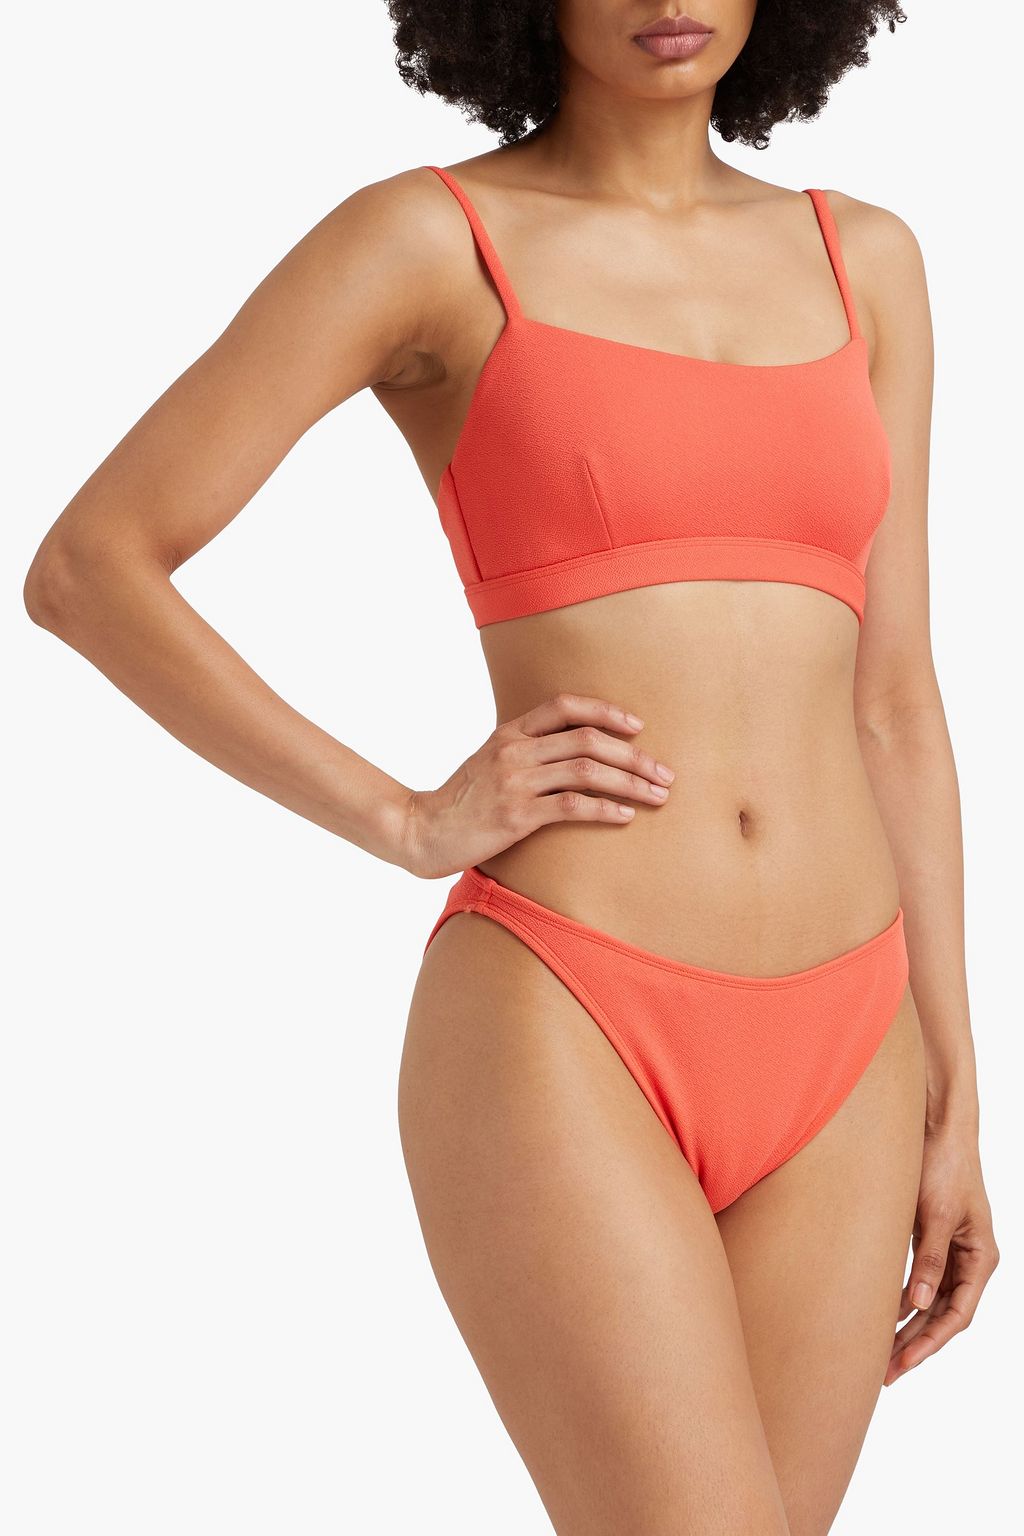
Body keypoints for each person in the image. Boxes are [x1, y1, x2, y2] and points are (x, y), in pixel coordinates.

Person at [24, 2, 998, 1531]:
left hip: (850, 1038)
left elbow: (898, 705)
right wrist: (405, 817)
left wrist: (959, 1092)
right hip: (574, 1009)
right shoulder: (430, 241)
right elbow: (92, 567)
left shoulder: (865, 258)